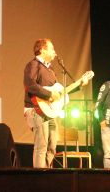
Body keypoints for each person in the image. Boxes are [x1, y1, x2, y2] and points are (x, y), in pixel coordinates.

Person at [23, 38, 88, 168]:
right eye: (52, 49)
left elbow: (59, 91)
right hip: (36, 109)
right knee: (41, 146)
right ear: (42, 50)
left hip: (49, 111)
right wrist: (49, 95)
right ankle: (40, 179)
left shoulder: (51, 70)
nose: (55, 52)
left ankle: (46, 173)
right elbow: (30, 85)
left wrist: (79, 84)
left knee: (52, 146)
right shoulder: (33, 65)